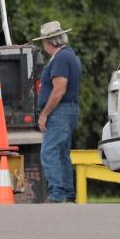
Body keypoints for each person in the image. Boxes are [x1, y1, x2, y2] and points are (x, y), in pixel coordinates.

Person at [32, 21, 82, 203]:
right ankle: (67, 193)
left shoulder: (60, 58)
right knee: (62, 153)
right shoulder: (71, 56)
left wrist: (44, 113)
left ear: (48, 42)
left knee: (49, 151)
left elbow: (59, 89)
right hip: (69, 109)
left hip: (59, 111)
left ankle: (57, 194)